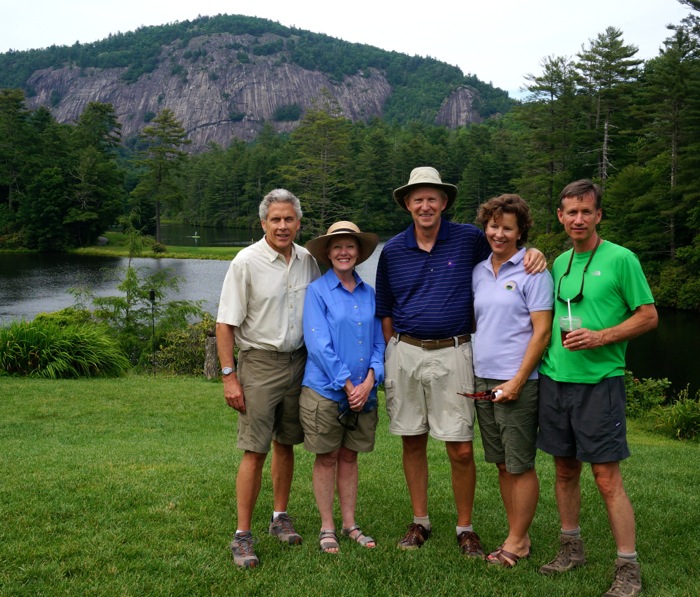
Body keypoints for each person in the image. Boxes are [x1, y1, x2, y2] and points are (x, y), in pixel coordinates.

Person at [375, 166, 546, 555]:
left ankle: (464, 526)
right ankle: (420, 522)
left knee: (461, 447)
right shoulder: (393, 250)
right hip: (405, 352)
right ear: (407, 204)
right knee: (412, 440)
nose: (425, 205)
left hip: (454, 351)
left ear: (444, 202)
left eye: (432, 197)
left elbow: (509, 256)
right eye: (417, 198)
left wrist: (534, 251)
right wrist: (393, 349)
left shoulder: (470, 239)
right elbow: (384, 308)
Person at [536, 180, 658, 597]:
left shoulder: (621, 259)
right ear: (560, 216)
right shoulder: (558, 263)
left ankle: (628, 567)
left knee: (607, 478)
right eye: (570, 212)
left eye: (586, 211)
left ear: (598, 215)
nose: (578, 219)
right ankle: (571, 547)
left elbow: (648, 316)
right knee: (565, 469)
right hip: (556, 380)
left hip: (599, 384)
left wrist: (602, 336)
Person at [216, 188, 321, 569]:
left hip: (299, 362)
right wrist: (230, 377)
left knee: (286, 442)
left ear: (298, 222)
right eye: (275, 219)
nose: (282, 225)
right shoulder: (246, 262)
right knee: (255, 448)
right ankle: (242, 535)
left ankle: (280, 517)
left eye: (288, 219)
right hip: (259, 363)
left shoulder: (309, 260)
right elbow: (225, 324)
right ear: (263, 224)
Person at [471, 194, 553, 567]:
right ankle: (516, 532)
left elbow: (542, 332)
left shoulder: (534, 271)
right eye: (494, 225)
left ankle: (517, 542)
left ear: (521, 232)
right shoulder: (479, 270)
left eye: (508, 227)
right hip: (484, 377)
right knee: (503, 463)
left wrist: (519, 381)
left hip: (517, 380)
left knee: (520, 463)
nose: (499, 234)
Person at [300, 221, 385, 554]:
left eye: (350, 246)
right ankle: (327, 527)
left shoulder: (369, 293)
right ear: (328, 253)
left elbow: (379, 342)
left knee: (349, 458)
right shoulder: (317, 291)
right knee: (327, 458)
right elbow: (318, 344)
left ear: (359, 253)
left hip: (363, 393)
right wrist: (348, 384)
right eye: (337, 247)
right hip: (325, 391)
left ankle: (350, 524)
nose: (344, 252)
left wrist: (369, 380)